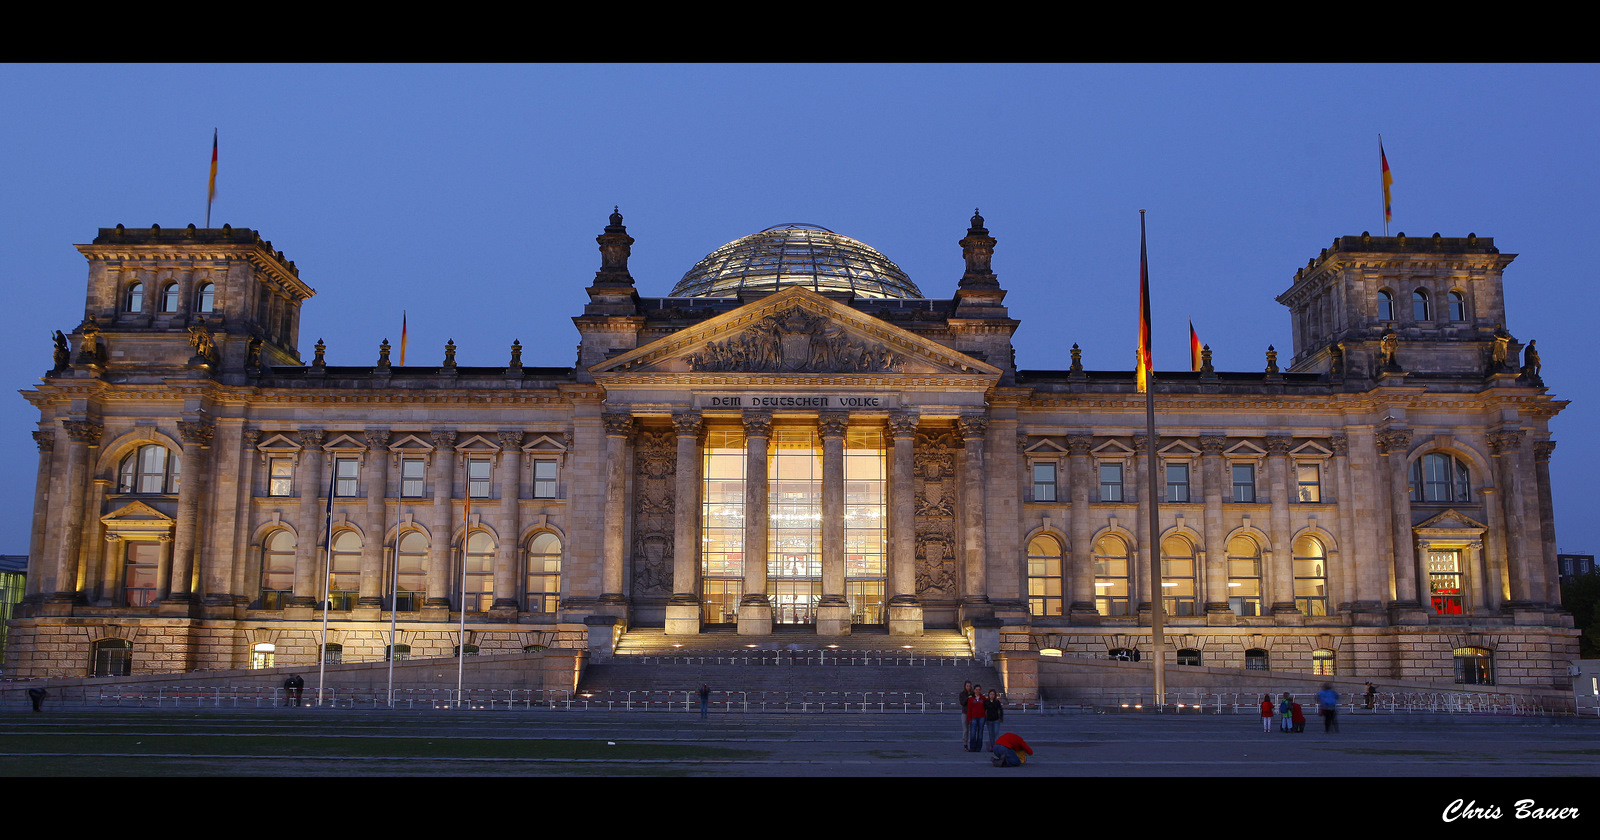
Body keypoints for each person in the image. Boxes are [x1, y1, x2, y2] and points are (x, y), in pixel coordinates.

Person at [966, 684, 988, 753]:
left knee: (980, 733)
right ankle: (972, 747)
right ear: (974, 690)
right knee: (973, 733)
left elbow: (986, 707)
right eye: (976, 690)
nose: (977, 691)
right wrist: (969, 718)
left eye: (979, 690)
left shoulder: (983, 698)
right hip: (973, 717)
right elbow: (969, 709)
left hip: (982, 717)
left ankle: (978, 747)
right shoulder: (971, 699)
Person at [958, 680, 974, 748]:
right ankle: (965, 743)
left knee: (973, 729)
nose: (968, 687)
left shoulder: (973, 694)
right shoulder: (962, 694)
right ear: (965, 686)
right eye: (967, 686)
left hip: (972, 713)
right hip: (965, 713)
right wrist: (968, 698)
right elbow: (962, 703)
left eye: (969, 686)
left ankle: (972, 743)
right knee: (965, 730)